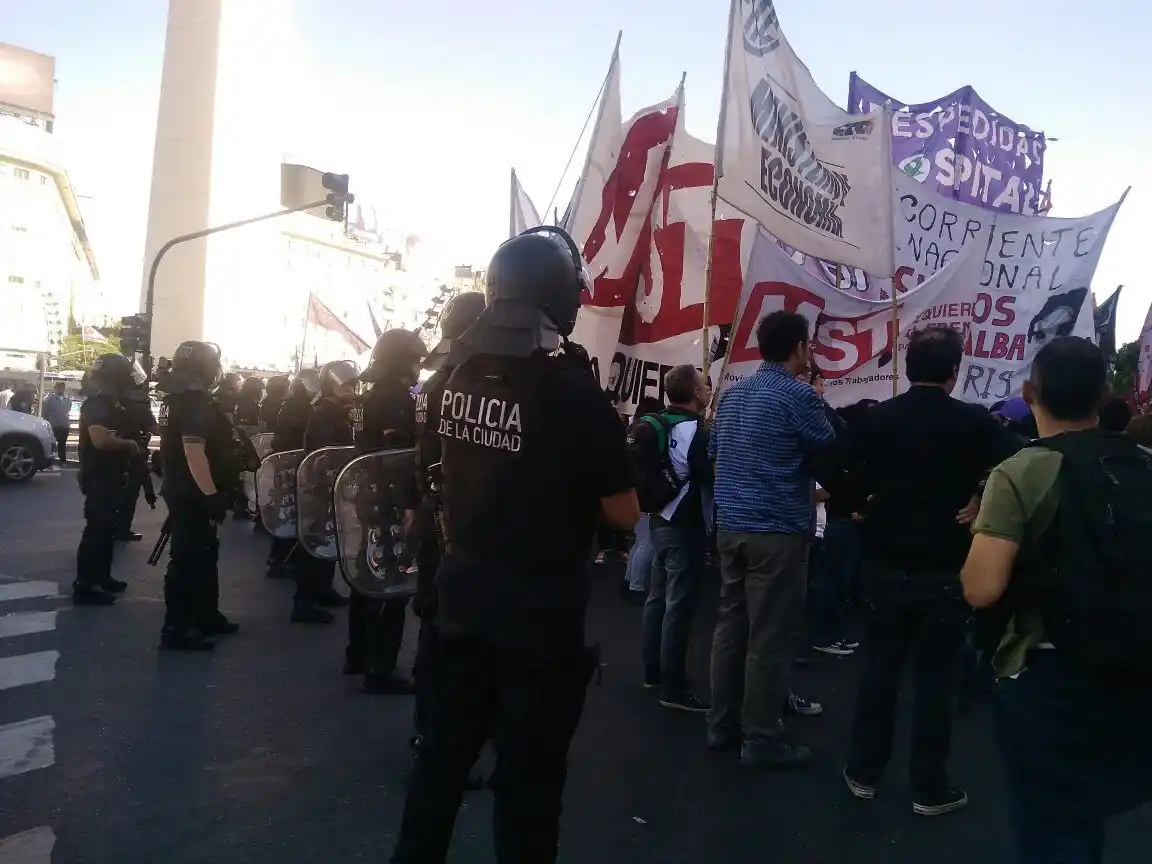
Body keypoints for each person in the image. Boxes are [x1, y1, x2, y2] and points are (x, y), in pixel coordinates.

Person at [390, 227, 639, 864]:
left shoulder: (452, 377)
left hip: (460, 598)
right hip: (539, 620)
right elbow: (623, 510)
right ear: (558, 298)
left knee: (441, 766)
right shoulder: (572, 391)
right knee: (530, 784)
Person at [963, 337, 1152, 863]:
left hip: (1049, 673)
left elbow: (982, 588)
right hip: (1134, 662)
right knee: (1095, 803)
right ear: (1105, 393)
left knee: (1054, 824)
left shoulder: (1021, 472)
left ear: (1030, 392)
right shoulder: (1142, 463)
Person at [840, 326, 1021, 816]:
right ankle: (928, 786)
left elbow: (833, 462)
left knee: (879, 672)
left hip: (884, 563)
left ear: (908, 364)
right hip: (945, 569)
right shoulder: (972, 421)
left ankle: (863, 770)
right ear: (955, 370)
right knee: (935, 681)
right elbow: (1019, 461)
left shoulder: (880, 419)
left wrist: (864, 497)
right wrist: (981, 493)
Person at [706, 311, 836, 768]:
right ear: (799, 347)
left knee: (731, 628)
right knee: (770, 636)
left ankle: (721, 725)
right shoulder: (799, 396)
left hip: (732, 526)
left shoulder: (734, 395)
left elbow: (714, 453)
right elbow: (829, 449)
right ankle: (760, 737)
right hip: (777, 530)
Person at [410, 290, 486, 759]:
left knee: (436, 624)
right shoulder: (465, 377)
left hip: (433, 511)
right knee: (451, 629)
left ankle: (435, 728)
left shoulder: (431, 376)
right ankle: (440, 736)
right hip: (454, 519)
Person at [348, 327, 428, 694]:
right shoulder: (397, 398)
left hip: (369, 495)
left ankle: (358, 653)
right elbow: (397, 459)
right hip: (390, 499)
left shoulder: (371, 396)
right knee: (391, 580)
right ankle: (380, 667)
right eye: (413, 359)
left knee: (369, 572)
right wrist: (410, 502)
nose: (417, 366)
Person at [632, 365, 713, 712]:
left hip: (659, 518)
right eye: (703, 384)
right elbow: (708, 473)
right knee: (679, 605)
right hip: (685, 522)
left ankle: (653, 671)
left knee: (657, 598)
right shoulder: (698, 429)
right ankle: (673, 685)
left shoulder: (659, 423)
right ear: (695, 393)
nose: (708, 389)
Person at [157, 341, 241, 650]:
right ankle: (178, 629)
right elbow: (195, 453)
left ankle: (206, 616)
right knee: (188, 560)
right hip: (194, 493)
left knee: (205, 554)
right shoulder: (195, 400)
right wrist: (211, 495)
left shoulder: (175, 397)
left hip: (183, 489)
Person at [73, 354, 145, 605]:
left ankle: (102, 577)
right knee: (97, 530)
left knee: (106, 531)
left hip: (110, 477)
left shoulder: (112, 403)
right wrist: (129, 445)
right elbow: (100, 439)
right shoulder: (99, 405)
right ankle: (85, 585)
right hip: (99, 478)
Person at [292, 360, 358, 624]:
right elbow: (324, 455)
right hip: (320, 487)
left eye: (354, 386)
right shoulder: (323, 414)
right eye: (347, 387)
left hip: (331, 487)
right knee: (314, 544)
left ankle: (322, 590)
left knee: (328, 540)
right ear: (332, 387)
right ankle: (304, 601)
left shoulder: (336, 411)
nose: (352, 391)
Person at [265, 369, 321, 580]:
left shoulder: (296, 404)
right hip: (292, 466)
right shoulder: (299, 407)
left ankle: (282, 559)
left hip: (290, 465)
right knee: (291, 514)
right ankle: (279, 560)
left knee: (290, 513)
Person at [621, 396, 665, 605]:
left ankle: (630, 579)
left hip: (634, 489)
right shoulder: (652, 430)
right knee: (647, 543)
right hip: (647, 492)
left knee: (640, 540)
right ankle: (636, 585)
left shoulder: (635, 428)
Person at [115, 368, 160, 542]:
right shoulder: (139, 405)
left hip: (108, 453)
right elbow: (155, 429)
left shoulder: (108, 401)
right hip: (131, 453)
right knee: (130, 492)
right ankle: (122, 529)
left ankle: (108, 526)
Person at [42, 381, 72, 464]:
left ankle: (62, 461)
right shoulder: (50, 399)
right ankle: (49, 462)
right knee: (51, 444)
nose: (60, 389)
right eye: (58, 388)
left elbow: (68, 409)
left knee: (62, 444)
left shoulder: (67, 399)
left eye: (62, 388)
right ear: (55, 388)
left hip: (64, 425)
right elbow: (45, 411)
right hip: (53, 424)